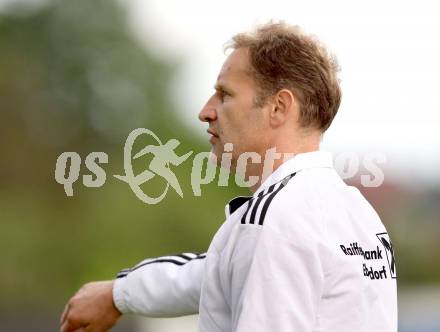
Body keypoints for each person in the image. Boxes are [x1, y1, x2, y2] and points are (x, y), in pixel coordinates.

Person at [60, 22, 397, 332]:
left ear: (279, 108)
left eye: (225, 94)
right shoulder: (360, 215)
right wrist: (118, 293)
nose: (206, 111)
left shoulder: (272, 220)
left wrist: (118, 293)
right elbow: (218, 271)